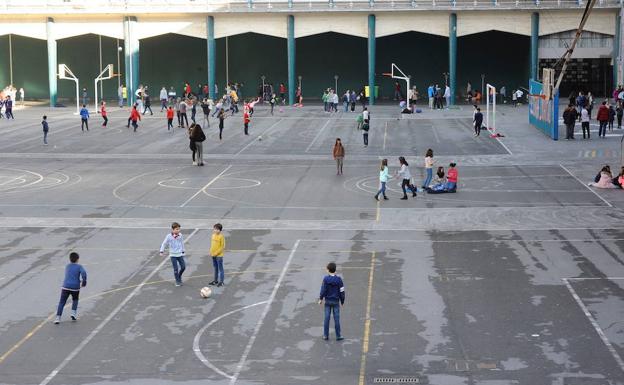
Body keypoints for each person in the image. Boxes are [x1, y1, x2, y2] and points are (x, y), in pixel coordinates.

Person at [54, 252, 87, 324]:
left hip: (65, 286)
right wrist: (84, 281)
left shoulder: (67, 266)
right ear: (77, 259)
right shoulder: (79, 266)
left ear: (70, 259)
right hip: (75, 287)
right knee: (75, 299)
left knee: (62, 302)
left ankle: (57, 317)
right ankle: (73, 313)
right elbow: (83, 273)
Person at [318, 262, 345, 341]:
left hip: (328, 302)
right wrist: (342, 301)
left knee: (327, 318)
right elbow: (342, 291)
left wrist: (320, 299)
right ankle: (338, 335)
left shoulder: (326, 279)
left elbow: (323, 290)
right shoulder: (339, 280)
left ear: (328, 270)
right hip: (336, 301)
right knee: (336, 319)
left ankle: (325, 335)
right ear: (335, 270)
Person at [160, 222, 186, 286]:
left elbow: (182, 243)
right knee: (176, 268)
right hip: (173, 255)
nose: (178, 230)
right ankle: (177, 281)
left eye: (179, 229)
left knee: (183, 267)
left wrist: (183, 250)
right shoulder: (168, 236)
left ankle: (179, 276)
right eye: (177, 229)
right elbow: (164, 243)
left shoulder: (180, 235)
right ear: (173, 229)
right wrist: (161, 251)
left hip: (179, 254)